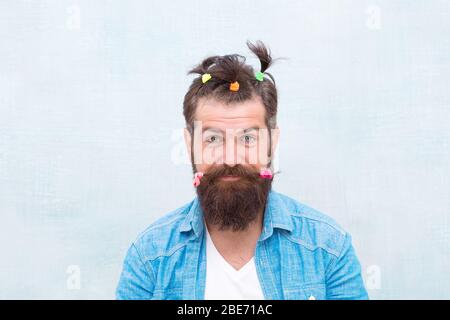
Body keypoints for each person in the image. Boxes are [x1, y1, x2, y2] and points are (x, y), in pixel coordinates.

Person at [116, 41, 369, 300]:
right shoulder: (149, 258)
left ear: (272, 142)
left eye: (248, 138)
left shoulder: (328, 248)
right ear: (189, 144)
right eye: (213, 139)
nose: (231, 157)